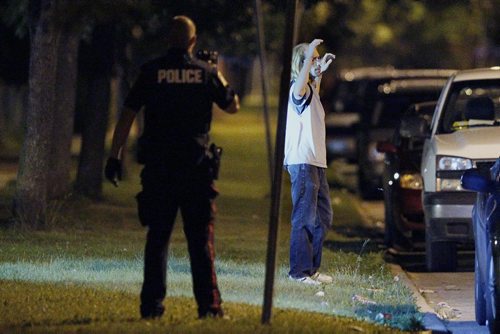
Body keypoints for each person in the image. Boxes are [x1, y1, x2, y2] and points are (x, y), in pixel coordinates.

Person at [104, 15, 240, 319]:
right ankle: (209, 308)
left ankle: (151, 308)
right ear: (193, 42)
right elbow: (232, 106)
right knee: (201, 241)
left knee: (157, 239)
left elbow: (127, 114)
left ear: (169, 39)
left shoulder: (151, 72)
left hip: (159, 170)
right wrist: (216, 72)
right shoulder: (205, 74)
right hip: (195, 170)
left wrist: (115, 156)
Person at [284, 39, 334, 285]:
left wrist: (319, 72)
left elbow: (312, 84)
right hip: (303, 162)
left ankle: (311, 269)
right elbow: (300, 87)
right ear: (301, 64)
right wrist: (309, 54)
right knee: (304, 217)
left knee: (323, 217)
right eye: (312, 58)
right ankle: (298, 272)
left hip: (316, 162)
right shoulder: (297, 88)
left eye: (317, 57)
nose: (317, 62)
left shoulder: (311, 91)